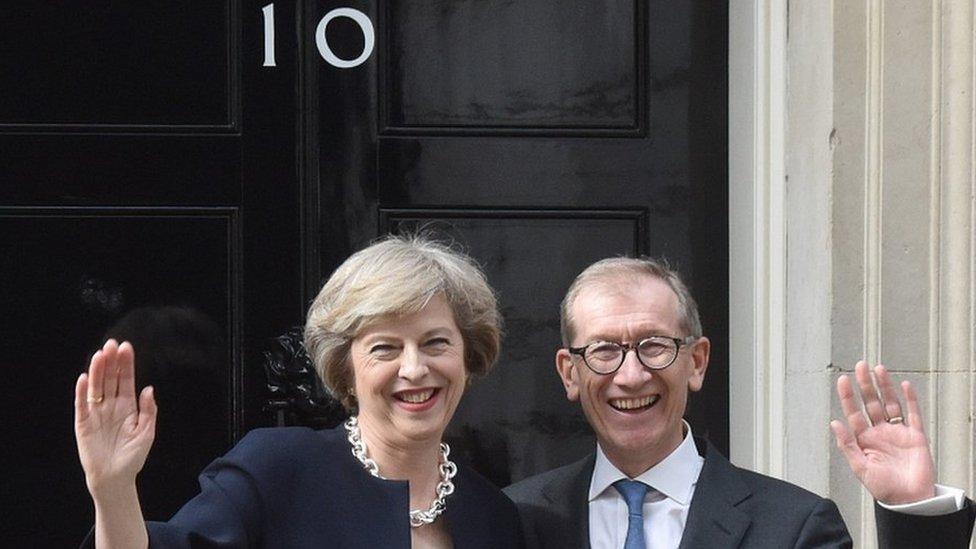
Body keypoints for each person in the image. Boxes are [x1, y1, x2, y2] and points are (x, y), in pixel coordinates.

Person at [74, 235, 523, 548]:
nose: (414, 368)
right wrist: (112, 490)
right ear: (345, 368)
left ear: (468, 354)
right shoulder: (278, 470)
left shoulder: (494, 515)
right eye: (384, 348)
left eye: (435, 342)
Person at [504, 257, 975, 548]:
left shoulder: (793, 527)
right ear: (570, 372)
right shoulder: (516, 521)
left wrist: (914, 512)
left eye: (654, 345)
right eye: (605, 349)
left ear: (697, 361)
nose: (631, 375)